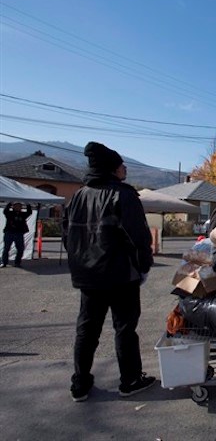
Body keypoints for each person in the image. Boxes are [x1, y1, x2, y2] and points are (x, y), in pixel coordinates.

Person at [62, 142, 155, 402]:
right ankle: (131, 380)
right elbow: (138, 237)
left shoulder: (79, 195)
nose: (125, 168)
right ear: (113, 169)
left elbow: (67, 235)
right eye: (122, 165)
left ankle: (80, 383)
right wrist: (144, 266)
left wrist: (79, 262)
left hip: (87, 276)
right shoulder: (123, 195)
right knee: (124, 328)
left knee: (87, 329)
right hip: (120, 275)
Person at [2, 202, 32, 267]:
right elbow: (5, 211)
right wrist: (9, 203)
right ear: (13, 207)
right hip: (9, 232)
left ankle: (17, 263)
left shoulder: (23, 214)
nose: (18, 207)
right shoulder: (9, 213)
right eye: (16, 206)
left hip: (19, 233)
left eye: (19, 206)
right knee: (6, 248)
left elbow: (29, 212)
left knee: (20, 249)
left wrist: (28, 204)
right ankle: (4, 262)